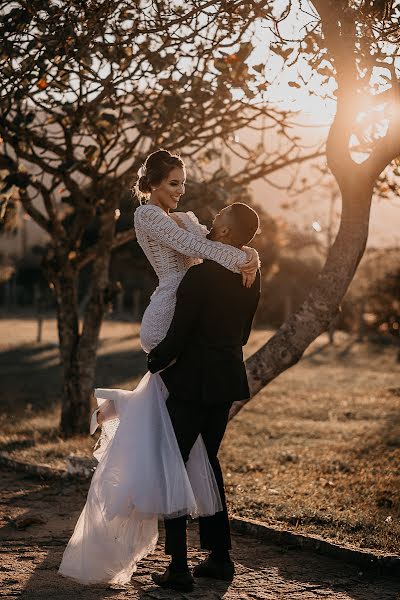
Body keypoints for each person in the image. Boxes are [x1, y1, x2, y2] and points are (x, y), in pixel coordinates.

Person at [57, 150, 260, 586]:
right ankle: (207, 559)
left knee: (180, 458)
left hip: (186, 354)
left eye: (184, 183)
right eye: (173, 183)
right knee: (191, 457)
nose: (181, 190)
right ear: (151, 183)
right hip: (178, 328)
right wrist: (245, 260)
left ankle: (184, 565)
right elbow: (201, 245)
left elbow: (220, 236)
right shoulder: (149, 216)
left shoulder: (191, 230)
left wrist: (250, 254)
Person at [147, 202, 261, 593]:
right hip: (227, 378)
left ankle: (178, 566)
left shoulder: (199, 276)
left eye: (219, 220)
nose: (211, 223)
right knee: (208, 462)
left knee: (174, 463)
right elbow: (245, 333)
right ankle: (220, 558)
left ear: (227, 233)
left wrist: (154, 360)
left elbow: (177, 335)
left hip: (192, 381)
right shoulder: (251, 273)